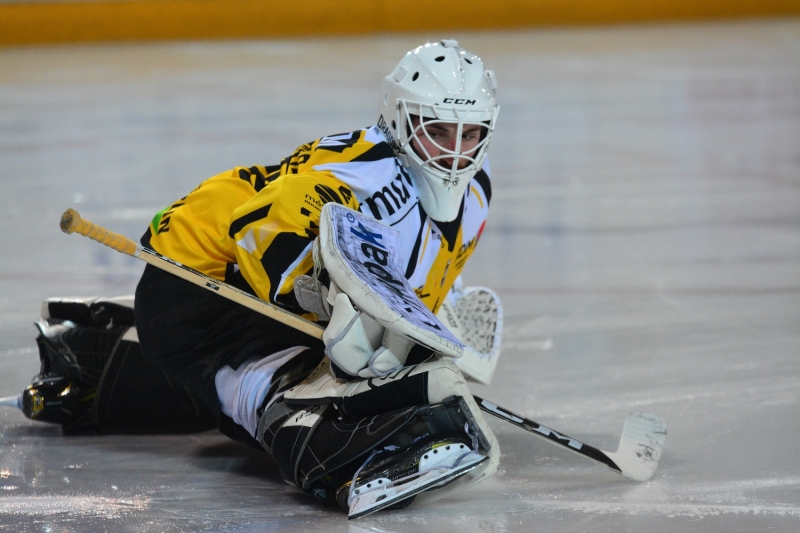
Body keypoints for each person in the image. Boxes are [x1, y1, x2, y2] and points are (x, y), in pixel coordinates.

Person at [26, 40, 503, 517]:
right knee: (288, 391)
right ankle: (315, 442)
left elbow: (408, 280)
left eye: (470, 134)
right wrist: (324, 295)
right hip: (199, 284)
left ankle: (102, 358)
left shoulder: (475, 196)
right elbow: (261, 228)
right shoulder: (365, 170)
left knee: (354, 373)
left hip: (253, 296)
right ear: (399, 120)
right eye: (437, 130)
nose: (455, 152)